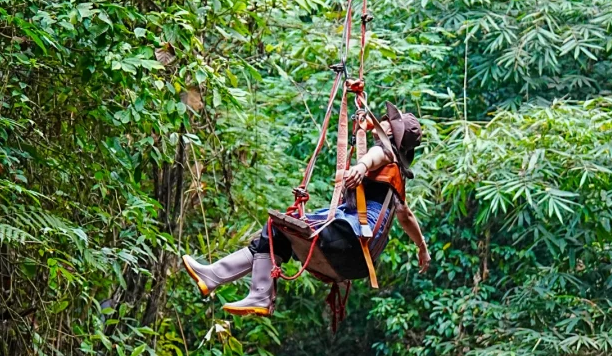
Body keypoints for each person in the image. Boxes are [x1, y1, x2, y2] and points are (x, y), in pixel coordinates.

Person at [181, 102, 430, 316]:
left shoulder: (386, 154)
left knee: (278, 226)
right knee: (276, 232)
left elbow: (375, 155)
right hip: (357, 254)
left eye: (389, 123)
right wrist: (422, 247)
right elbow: (405, 216)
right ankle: (214, 277)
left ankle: (258, 295)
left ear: (393, 135)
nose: (384, 121)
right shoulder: (394, 176)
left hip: (352, 235)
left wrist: (360, 167)